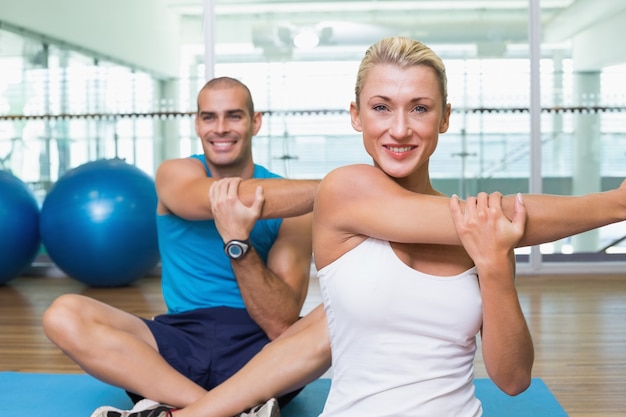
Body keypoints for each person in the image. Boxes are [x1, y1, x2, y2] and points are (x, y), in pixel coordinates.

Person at [87, 37, 626, 417]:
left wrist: (495, 268)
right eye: (380, 107)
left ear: (445, 118)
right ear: (356, 116)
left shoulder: (482, 233)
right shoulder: (347, 190)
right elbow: (299, 342)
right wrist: (617, 203)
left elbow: (512, 381)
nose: (399, 128)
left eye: (419, 108)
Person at [41, 76, 321, 416]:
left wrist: (239, 243)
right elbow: (215, 199)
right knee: (64, 314)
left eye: (234, 116)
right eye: (209, 117)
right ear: (197, 124)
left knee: (337, 317)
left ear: (255, 122)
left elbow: (280, 323)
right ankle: (225, 410)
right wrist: (337, 188)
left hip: (259, 356)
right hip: (177, 346)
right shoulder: (175, 174)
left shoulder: (294, 208)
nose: (221, 128)